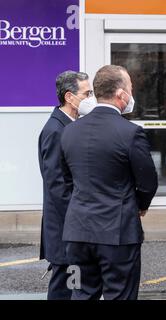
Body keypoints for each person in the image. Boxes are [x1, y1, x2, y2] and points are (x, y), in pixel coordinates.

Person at [60, 65, 158, 300]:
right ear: (121, 94)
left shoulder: (70, 131)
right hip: (117, 233)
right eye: (130, 89)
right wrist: (141, 204)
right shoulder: (131, 132)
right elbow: (147, 181)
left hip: (77, 233)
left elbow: (66, 180)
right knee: (120, 295)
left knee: (81, 293)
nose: (132, 94)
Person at [38, 70, 92, 300]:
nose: (91, 98)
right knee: (65, 285)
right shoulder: (55, 130)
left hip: (70, 225)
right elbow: (56, 185)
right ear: (69, 97)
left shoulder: (70, 125)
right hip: (65, 227)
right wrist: (78, 216)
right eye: (87, 93)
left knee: (72, 283)